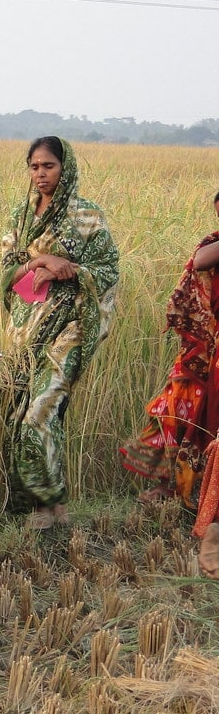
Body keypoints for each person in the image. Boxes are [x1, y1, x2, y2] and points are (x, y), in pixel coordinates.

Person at [0, 136, 119, 530]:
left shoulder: (88, 217)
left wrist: (69, 267)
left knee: (42, 411)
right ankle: (37, 506)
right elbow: (4, 272)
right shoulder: (21, 216)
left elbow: (108, 271)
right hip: (25, 329)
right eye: (33, 167)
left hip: (70, 327)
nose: (40, 174)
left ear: (64, 168)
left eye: (48, 166)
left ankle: (52, 504)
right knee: (17, 414)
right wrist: (39, 264)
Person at [121, 191, 219, 510]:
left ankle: (203, 494)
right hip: (202, 351)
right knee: (176, 408)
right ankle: (168, 485)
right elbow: (201, 261)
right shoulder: (212, 245)